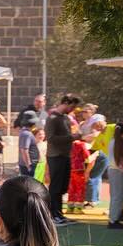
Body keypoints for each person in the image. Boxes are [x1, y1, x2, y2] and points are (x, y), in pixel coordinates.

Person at [42, 94, 79, 224]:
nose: (73, 109)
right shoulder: (52, 119)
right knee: (56, 186)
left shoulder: (65, 118)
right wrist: (72, 137)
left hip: (65, 155)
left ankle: (59, 214)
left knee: (63, 187)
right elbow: (51, 138)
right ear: (66, 103)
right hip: (55, 156)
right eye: (72, 106)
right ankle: (53, 214)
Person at [106, 122, 123, 229]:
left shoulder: (112, 141)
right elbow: (122, 160)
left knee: (115, 196)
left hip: (112, 170)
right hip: (119, 171)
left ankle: (113, 218)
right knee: (119, 196)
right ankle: (114, 220)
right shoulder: (120, 142)